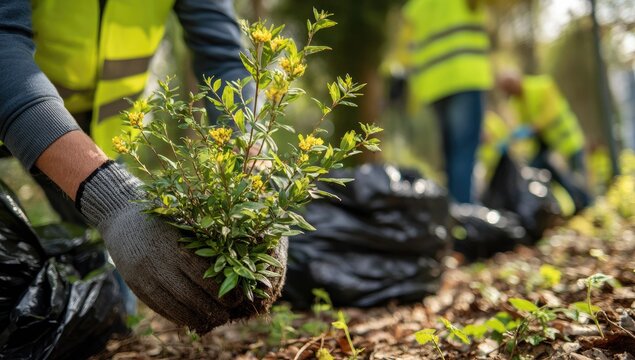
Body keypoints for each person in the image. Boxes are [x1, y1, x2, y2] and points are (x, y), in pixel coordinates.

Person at [0, 0, 283, 333]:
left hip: (102, 136)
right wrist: (111, 198)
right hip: (21, 104)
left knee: (117, 313)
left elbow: (225, 57)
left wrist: (257, 178)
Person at [402, 0, 493, 203]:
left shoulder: (414, 7)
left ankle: (453, 214)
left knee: (450, 156)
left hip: (433, 86)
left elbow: (407, 51)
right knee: (463, 154)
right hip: (465, 76)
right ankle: (464, 217)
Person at [497, 72, 591, 212]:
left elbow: (552, 111)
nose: (509, 91)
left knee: (577, 177)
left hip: (567, 140)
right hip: (547, 144)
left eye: (509, 86)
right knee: (554, 175)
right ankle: (577, 206)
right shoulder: (516, 102)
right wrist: (517, 139)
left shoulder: (543, 84)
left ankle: (589, 206)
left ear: (516, 79)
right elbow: (523, 124)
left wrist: (533, 128)